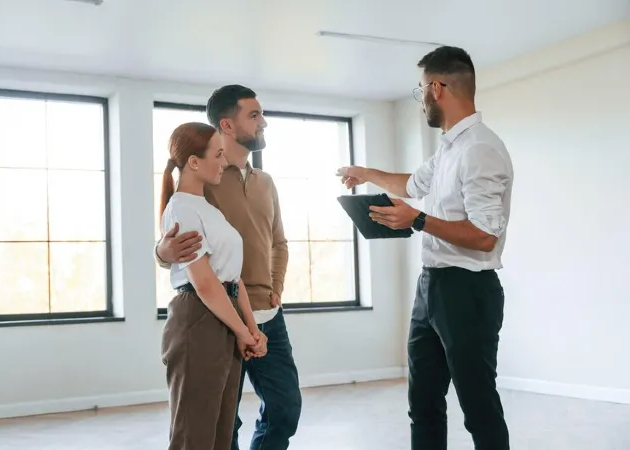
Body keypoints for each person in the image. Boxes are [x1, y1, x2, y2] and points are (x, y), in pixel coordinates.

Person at [337, 46, 513, 450]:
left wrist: (416, 219)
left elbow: (486, 235)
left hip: (468, 292)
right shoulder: (449, 147)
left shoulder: (480, 149)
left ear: (437, 88)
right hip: (430, 286)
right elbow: (413, 185)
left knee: (478, 407)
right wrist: (364, 174)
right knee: (423, 404)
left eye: (421, 91)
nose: (421, 102)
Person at [155, 85, 302, 450]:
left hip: (265, 312)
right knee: (221, 421)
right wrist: (163, 251)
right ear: (228, 124)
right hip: (220, 313)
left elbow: (279, 243)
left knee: (285, 409)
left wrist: (275, 287)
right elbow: (175, 245)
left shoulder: (265, 183)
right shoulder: (206, 182)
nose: (264, 121)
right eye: (254, 115)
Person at [158, 121, 268, 450]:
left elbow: (233, 278)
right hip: (199, 318)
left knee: (220, 432)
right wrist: (242, 331)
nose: (224, 162)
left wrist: (250, 327)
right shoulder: (181, 209)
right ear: (194, 162)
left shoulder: (209, 209)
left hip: (224, 313)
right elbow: (205, 283)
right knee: (195, 434)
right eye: (218, 155)